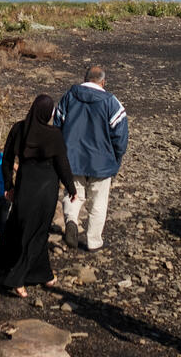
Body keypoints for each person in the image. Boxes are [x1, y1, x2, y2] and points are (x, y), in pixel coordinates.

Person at [0, 94, 77, 297]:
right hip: (46, 189)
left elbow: (7, 160)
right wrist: (71, 187)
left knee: (22, 227)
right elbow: (62, 164)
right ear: (48, 114)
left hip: (24, 186)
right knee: (38, 233)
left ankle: (44, 274)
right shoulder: (53, 135)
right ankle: (17, 278)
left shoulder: (19, 129)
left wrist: (8, 185)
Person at [54, 65, 128, 252]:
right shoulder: (111, 102)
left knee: (73, 194)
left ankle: (71, 220)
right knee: (98, 203)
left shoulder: (69, 96)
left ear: (85, 78)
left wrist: (59, 154)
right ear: (103, 82)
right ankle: (94, 241)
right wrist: (116, 159)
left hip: (71, 159)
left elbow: (57, 125)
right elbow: (120, 135)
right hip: (101, 162)